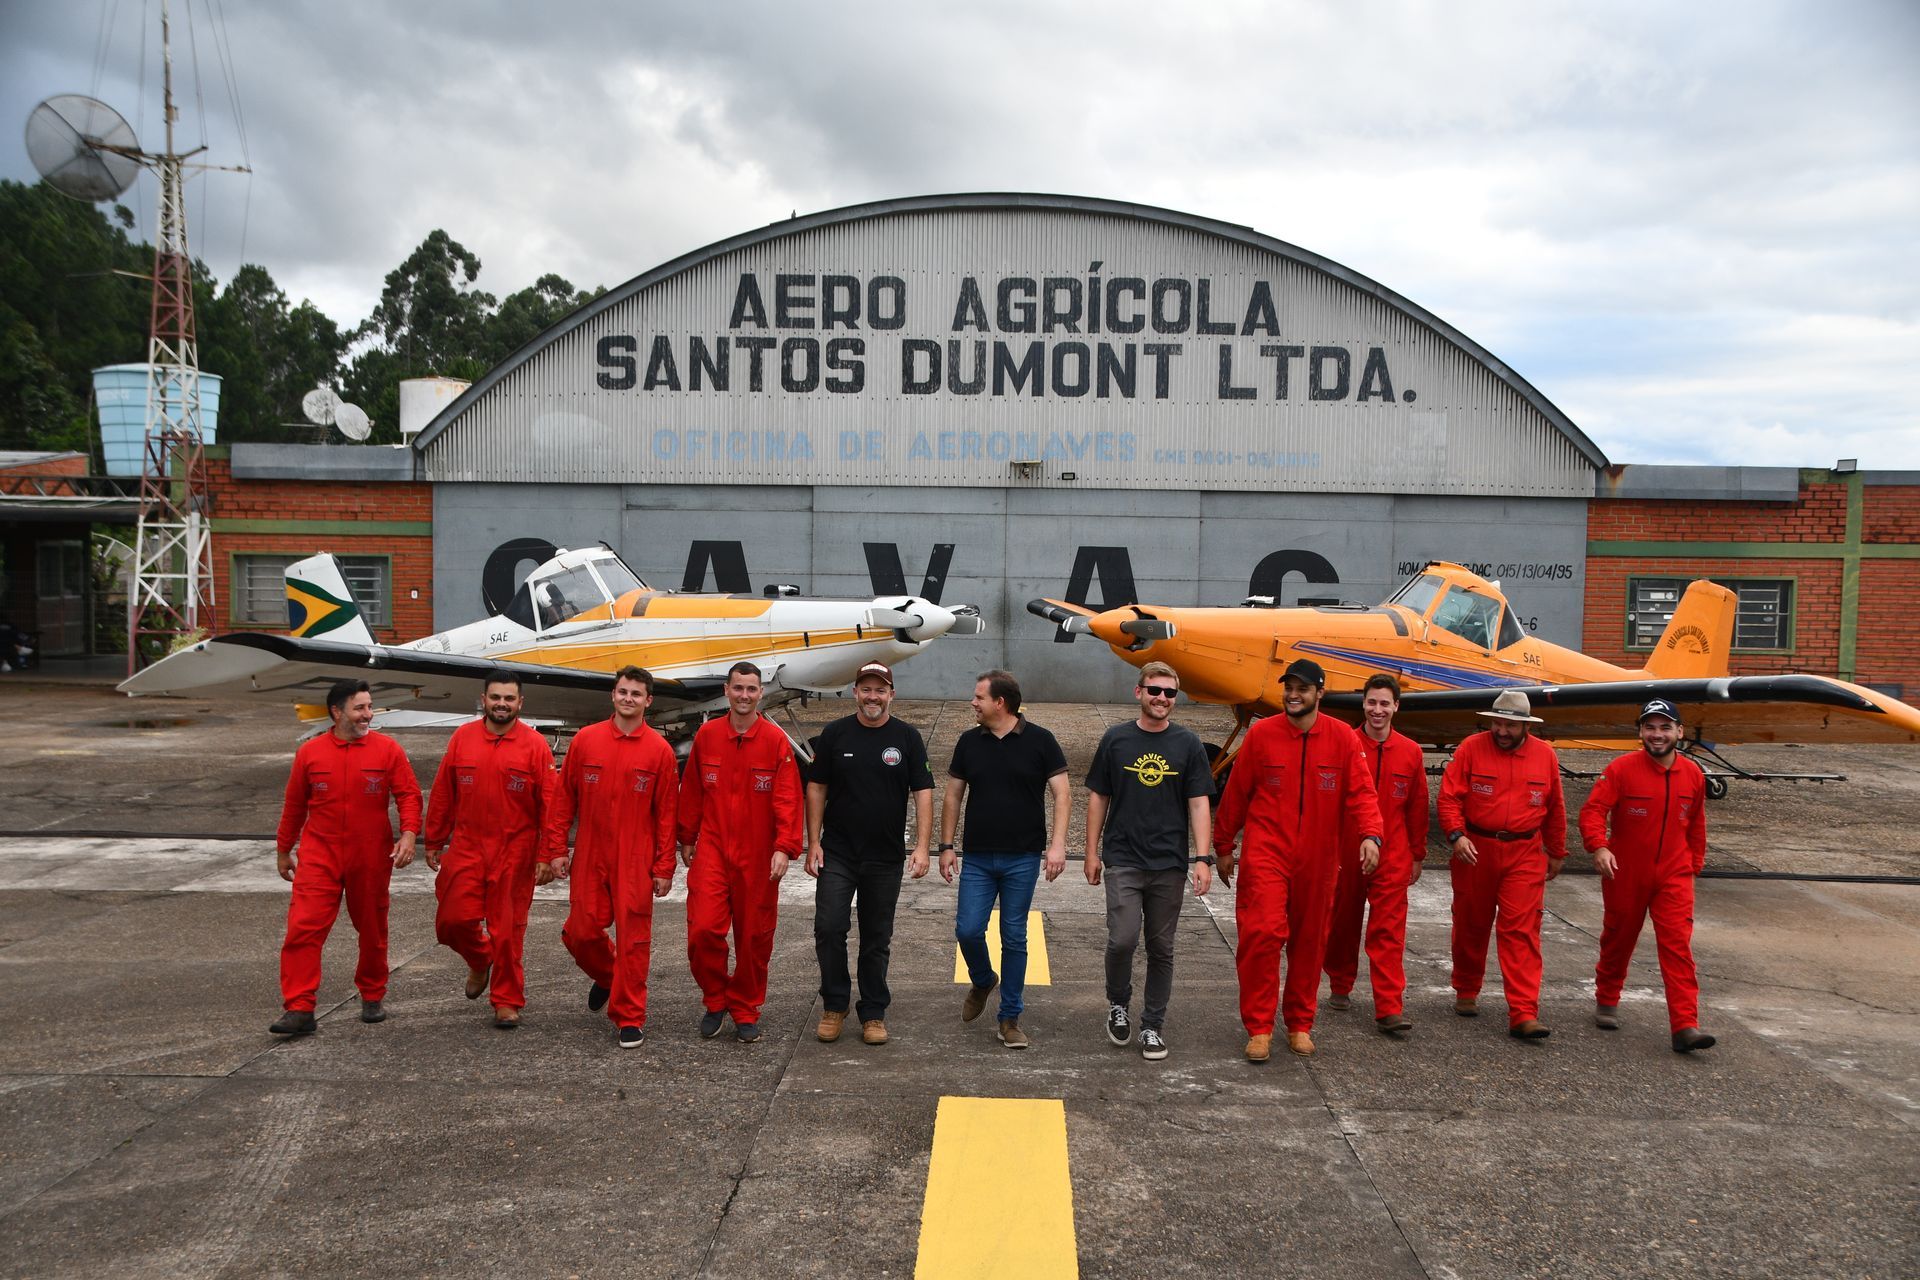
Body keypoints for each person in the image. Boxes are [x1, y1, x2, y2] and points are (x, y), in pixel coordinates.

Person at [1214, 658, 1383, 1061]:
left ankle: (1300, 1023)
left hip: (1319, 859)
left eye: (1302, 689)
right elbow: (1236, 794)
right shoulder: (1262, 735)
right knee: (1261, 935)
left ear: (1319, 693)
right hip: (1267, 854)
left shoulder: (1343, 739)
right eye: (1289, 688)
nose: (1293, 695)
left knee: (1310, 942)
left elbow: (1362, 793)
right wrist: (1223, 846)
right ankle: (1259, 1027)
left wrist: (1371, 835)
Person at [269, 678, 421, 1036]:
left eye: (370, 707)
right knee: (303, 928)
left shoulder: (387, 750)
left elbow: (408, 795)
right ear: (337, 712)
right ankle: (299, 1007)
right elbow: (294, 805)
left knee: (372, 928)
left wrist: (409, 834)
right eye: (360, 708)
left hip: (369, 855)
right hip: (319, 856)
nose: (368, 714)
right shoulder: (310, 753)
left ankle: (372, 994)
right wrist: (283, 849)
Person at [1083, 661, 1214, 1061]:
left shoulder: (1188, 744)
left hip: (1168, 863)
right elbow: (1099, 797)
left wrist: (1202, 858)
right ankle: (1118, 1003)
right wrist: (1091, 852)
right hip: (1123, 858)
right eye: (1155, 690)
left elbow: (1199, 803)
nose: (1162, 698)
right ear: (1138, 692)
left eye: (1170, 693)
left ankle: (1152, 1026)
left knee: (1161, 947)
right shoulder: (1116, 739)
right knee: (1122, 939)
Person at [545, 666, 679, 1049]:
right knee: (580, 932)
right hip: (591, 851)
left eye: (636, 694)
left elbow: (666, 815)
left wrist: (664, 867)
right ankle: (608, 975)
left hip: (636, 856)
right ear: (613, 695)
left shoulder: (659, 751)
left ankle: (630, 1017)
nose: (628, 699)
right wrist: (556, 848)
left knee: (634, 940)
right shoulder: (586, 741)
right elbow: (563, 800)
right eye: (623, 691)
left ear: (648, 701)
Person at [804, 660, 933, 1047]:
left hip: (885, 857)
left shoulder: (907, 737)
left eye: (880, 690)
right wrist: (813, 842)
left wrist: (922, 846)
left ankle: (873, 1011)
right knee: (829, 928)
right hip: (838, 854)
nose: (872, 697)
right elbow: (816, 788)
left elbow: (923, 792)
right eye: (866, 689)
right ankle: (835, 1005)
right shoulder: (835, 733)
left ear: (891, 694)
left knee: (876, 937)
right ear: (855, 693)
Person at [941, 669, 1070, 1050]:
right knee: (967, 930)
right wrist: (946, 845)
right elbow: (953, 795)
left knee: (1014, 936)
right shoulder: (969, 741)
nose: (973, 703)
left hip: (1023, 857)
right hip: (978, 857)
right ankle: (983, 980)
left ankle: (1010, 1017)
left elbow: (1062, 795)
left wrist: (1057, 845)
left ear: (1000, 702)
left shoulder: (1041, 740)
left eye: (979, 697)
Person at [1579, 698, 1716, 1053]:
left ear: (1679, 732)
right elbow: (1593, 811)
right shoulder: (1621, 769)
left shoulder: (1693, 774)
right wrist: (1599, 847)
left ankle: (1685, 1026)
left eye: (1665, 727)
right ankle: (1607, 998)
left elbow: (1696, 825)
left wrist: (1693, 867)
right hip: (1625, 871)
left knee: (1678, 948)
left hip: (1674, 874)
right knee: (1619, 937)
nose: (1657, 734)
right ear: (1640, 732)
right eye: (1649, 727)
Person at [679, 661, 804, 1043]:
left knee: (754, 938)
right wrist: (686, 836)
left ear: (760, 692)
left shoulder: (775, 741)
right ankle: (716, 999)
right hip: (713, 850)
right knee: (702, 930)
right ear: (727, 690)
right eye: (738, 688)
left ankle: (746, 1007)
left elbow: (788, 798)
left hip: (758, 855)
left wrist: (784, 847)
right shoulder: (708, 736)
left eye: (751, 689)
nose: (744, 695)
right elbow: (692, 789)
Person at [424, 670, 556, 1030]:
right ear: (484, 700)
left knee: (508, 931)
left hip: (515, 850)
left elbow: (551, 805)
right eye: (495, 697)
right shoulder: (462, 738)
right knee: (451, 921)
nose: (501, 704)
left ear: (520, 703)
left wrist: (548, 854)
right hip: (467, 845)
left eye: (509, 698)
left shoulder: (535, 746)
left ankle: (507, 1000)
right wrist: (434, 838)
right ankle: (480, 958)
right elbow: (443, 792)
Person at [1437, 688, 1567, 1040]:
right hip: (1475, 850)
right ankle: (1466, 988)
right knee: (1470, 923)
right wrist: (1456, 836)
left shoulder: (1545, 756)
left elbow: (1555, 808)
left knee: (1521, 932)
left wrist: (1557, 851)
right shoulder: (1470, 748)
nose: (1502, 731)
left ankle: (1524, 1012)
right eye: (1497, 723)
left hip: (1524, 853)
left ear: (1527, 726)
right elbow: (1449, 798)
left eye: (1510, 726)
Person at [1323, 673, 1432, 1036]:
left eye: (1385, 703)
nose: (1377, 710)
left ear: (1396, 706)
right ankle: (1340, 983)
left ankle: (1389, 1007)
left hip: (1394, 854)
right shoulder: (1344, 744)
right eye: (1372, 702)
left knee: (1388, 931)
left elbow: (1417, 807)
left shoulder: (1411, 752)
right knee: (1343, 921)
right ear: (1363, 704)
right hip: (1348, 850)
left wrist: (1417, 853)